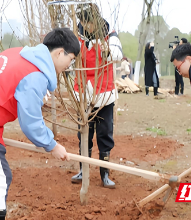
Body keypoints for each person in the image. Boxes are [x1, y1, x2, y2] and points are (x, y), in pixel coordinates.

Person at [0, 28, 80, 220]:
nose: (70, 65)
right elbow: (31, 122)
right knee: (1, 181)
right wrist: (52, 145)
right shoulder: (35, 74)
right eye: (72, 59)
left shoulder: (18, 54)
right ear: (60, 52)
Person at [71, 3, 123, 188]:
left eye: (89, 22)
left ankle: (104, 173)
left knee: (104, 134)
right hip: (83, 93)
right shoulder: (76, 36)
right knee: (84, 133)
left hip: (104, 92)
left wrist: (106, 48)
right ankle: (82, 169)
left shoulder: (110, 34)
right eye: (83, 23)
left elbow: (117, 55)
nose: (86, 27)